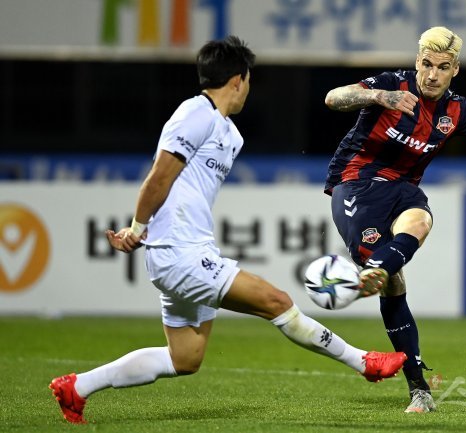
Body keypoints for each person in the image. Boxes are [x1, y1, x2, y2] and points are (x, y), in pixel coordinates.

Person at [48, 36, 407, 424]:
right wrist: (138, 226)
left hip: (184, 249)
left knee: (185, 358)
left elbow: (179, 188)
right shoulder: (195, 114)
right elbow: (159, 177)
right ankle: (364, 362)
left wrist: (148, 228)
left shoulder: (229, 134)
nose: (249, 89)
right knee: (276, 301)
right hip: (180, 253)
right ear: (238, 80)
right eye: (249, 80)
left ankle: (77, 388)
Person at [323, 26, 466, 413]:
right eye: (427, 64)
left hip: (403, 189)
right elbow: (333, 98)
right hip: (356, 184)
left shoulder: (458, 111)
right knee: (394, 282)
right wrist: (379, 97)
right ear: (417, 61)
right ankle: (416, 380)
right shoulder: (391, 84)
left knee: (420, 221)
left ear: (455, 70)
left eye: (443, 67)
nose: (432, 75)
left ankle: (378, 273)